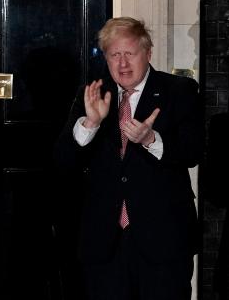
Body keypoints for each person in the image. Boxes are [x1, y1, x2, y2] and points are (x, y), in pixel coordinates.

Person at [55, 17, 203, 300]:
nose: (122, 64)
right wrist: (90, 124)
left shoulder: (179, 91)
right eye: (114, 55)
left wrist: (151, 140)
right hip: (104, 240)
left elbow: (192, 152)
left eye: (129, 54)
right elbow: (63, 161)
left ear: (148, 53)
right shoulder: (94, 95)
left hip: (163, 239)